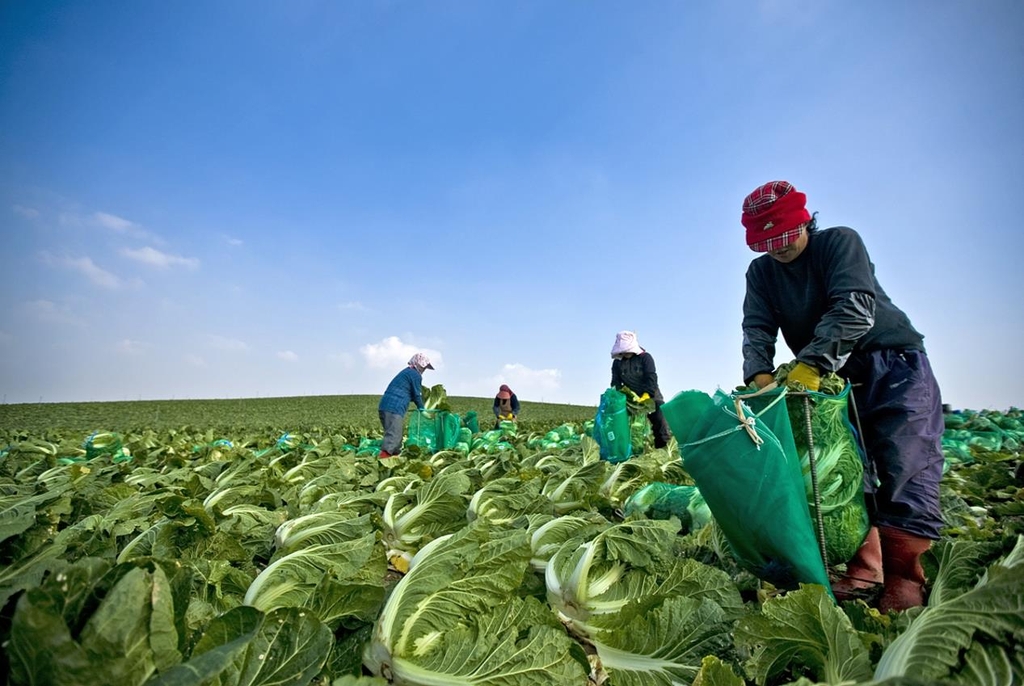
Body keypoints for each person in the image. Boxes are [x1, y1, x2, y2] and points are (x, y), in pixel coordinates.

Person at [739, 180, 944, 612]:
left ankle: (906, 576)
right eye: (766, 244)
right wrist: (759, 374)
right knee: (846, 468)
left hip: (892, 363)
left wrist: (811, 363)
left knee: (906, 463)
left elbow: (853, 306)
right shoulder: (761, 274)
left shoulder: (839, 243)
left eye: (784, 237)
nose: (777, 250)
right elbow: (756, 327)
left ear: (804, 223)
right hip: (833, 380)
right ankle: (866, 567)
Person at [610, 331, 672, 450]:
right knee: (628, 427)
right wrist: (617, 395)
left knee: (660, 422)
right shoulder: (617, 363)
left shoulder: (645, 358)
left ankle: (664, 449)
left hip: (651, 396)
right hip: (630, 399)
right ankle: (630, 451)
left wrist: (646, 395)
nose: (625, 353)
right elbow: (615, 382)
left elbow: (651, 377)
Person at [377, 353, 434, 459]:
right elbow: (417, 394)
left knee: (396, 437)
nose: (424, 369)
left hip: (386, 407)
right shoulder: (414, 374)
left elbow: (410, 393)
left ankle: (393, 461)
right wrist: (422, 409)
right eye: (423, 367)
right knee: (393, 437)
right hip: (394, 407)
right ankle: (382, 462)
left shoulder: (407, 372)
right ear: (417, 364)